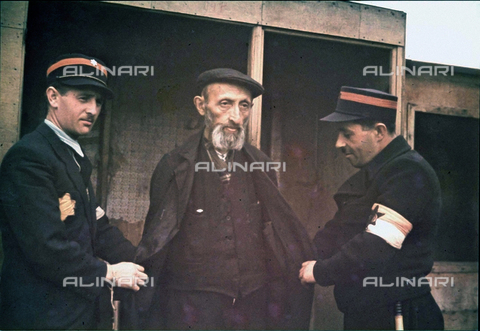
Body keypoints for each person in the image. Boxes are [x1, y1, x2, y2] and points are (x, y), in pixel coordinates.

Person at [134, 68, 314, 330]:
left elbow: (276, 235)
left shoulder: (260, 165)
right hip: (192, 308)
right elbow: (157, 240)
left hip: (250, 306)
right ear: (201, 105)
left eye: (244, 106)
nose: (235, 117)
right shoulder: (174, 166)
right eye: (225, 104)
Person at [0, 54, 147, 330]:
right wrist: (109, 272)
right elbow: (46, 247)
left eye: (99, 101)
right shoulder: (30, 157)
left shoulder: (73, 157)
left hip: (78, 315)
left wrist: (144, 262)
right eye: (84, 98)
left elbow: (99, 228)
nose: (93, 110)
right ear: (53, 97)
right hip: (43, 317)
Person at [299, 86, 444, 330]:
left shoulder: (407, 172)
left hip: (398, 316)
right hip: (367, 313)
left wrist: (321, 272)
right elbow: (338, 230)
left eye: (347, 134)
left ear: (379, 131)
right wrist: (298, 257)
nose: (338, 143)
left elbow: (376, 244)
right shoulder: (372, 175)